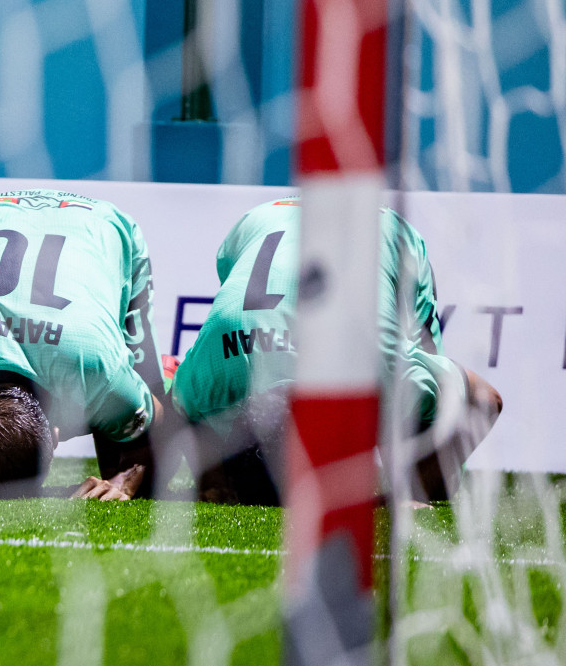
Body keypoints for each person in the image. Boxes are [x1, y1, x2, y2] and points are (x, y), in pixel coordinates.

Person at [169, 198, 503, 504]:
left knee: (424, 441)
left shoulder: (376, 372)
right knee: (425, 450)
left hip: (375, 237)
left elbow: (486, 400)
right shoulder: (201, 387)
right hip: (263, 221)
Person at [0, 190, 168, 499]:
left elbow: (156, 418)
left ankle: (168, 373)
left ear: (54, 433)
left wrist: (126, 477)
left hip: (101, 225)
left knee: (138, 410)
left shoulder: (96, 369)